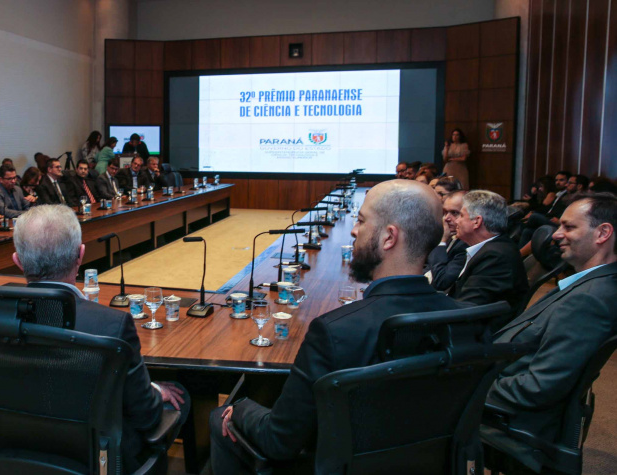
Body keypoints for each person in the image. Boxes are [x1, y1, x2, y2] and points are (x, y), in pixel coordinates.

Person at [210, 180, 459, 473]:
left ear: (389, 238)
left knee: (219, 417)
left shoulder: (334, 331)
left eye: (362, 221)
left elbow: (278, 440)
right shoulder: (464, 320)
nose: (354, 230)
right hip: (427, 462)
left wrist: (239, 408)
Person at [11, 205, 188, 473]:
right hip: (98, 458)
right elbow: (147, 415)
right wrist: (154, 390)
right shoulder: (111, 325)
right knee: (180, 395)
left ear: (18, 261)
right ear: (81, 255)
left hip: (13, 451)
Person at [486, 193, 617, 444]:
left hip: (510, 419)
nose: (556, 234)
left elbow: (539, 387)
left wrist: (466, 388)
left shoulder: (591, 300)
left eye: (568, 227)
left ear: (602, 233)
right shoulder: (590, 285)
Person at [450, 190, 529, 318]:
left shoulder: (495, 257)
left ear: (477, 221)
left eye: (460, 216)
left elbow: (467, 309)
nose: (456, 221)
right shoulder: (493, 248)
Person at [426, 190, 468, 292]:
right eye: (444, 212)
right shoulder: (451, 236)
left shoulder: (466, 244)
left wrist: (441, 241)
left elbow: (442, 281)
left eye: (454, 213)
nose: (446, 219)